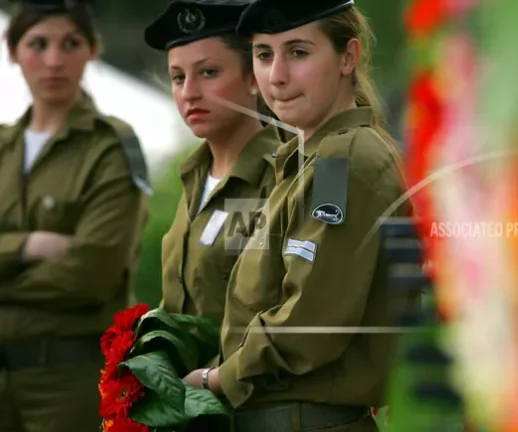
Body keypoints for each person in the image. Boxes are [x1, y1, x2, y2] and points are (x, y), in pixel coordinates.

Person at [183, 0, 411, 430]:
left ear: (348, 57)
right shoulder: (309, 159)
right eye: (263, 54)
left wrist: (217, 379)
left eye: (298, 52)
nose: (277, 75)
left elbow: (311, 324)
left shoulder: (340, 163)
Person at [0, 0, 151, 430]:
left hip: (69, 382)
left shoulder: (111, 147)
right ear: (12, 51)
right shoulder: (3, 147)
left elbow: (92, 272)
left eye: (70, 44)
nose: (54, 60)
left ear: (93, 50)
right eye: (38, 44)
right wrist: (27, 246)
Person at [145, 0, 284, 334]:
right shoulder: (195, 176)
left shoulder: (282, 175)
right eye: (178, 77)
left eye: (208, 73)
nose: (189, 93)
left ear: (254, 77)